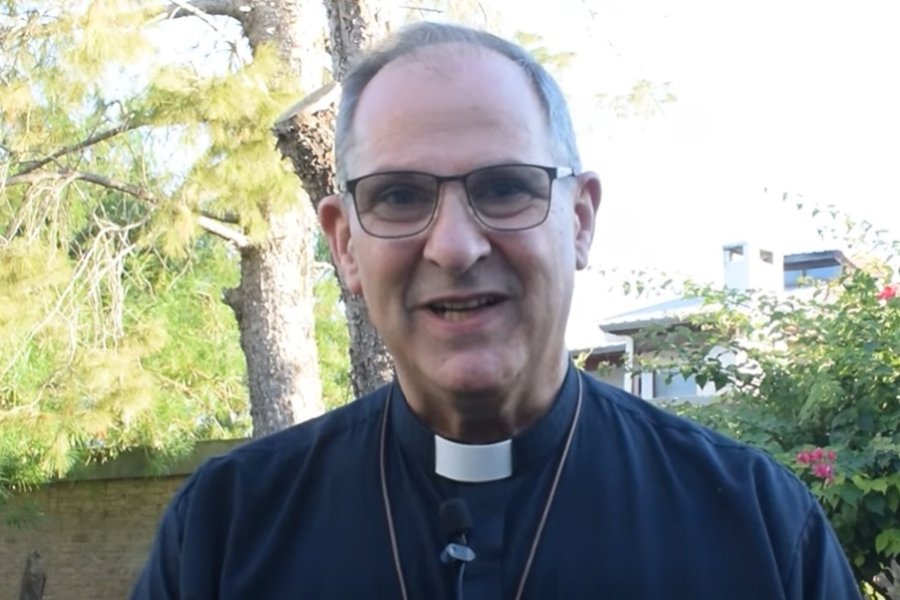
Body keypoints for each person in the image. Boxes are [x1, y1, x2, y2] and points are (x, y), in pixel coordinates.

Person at [131, 22, 862, 599]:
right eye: (400, 196)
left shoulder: (758, 527)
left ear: (579, 220)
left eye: (507, 187)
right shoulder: (226, 533)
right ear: (345, 243)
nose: (454, 247)